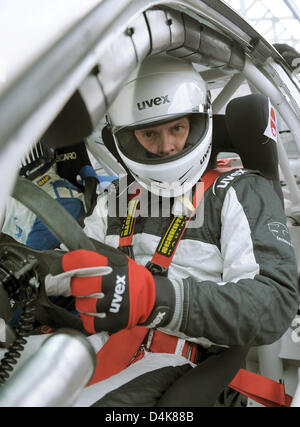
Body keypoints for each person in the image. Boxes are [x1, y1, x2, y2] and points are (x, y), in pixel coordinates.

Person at [7, 54, 299, 406]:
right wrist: (28, 268)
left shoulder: (237, 189)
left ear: (199, 120)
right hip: (97, 339)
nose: (167, 147)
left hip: (176, 357)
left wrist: (155, 298)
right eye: (149, 133)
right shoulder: (117, 196)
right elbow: (76, 263)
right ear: (126, 139)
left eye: (177, 128)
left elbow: (273, 303)